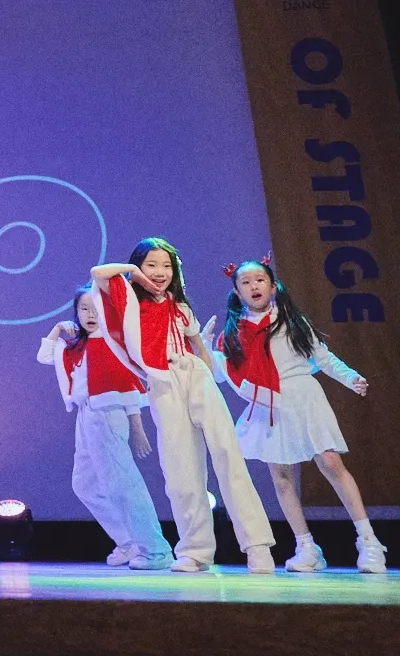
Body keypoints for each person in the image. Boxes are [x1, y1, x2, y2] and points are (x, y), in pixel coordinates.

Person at [91, 238, 275, 574]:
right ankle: (195, 550)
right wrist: (132, 271)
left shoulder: (180, 306)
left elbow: (197, 347)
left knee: (227, 453)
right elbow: (99, 273)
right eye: (151, 265)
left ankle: (257, 545)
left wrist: (211, 373)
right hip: (163, 383)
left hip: (194, 374)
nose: (160, 272)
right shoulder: (129, 301)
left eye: (166, 266)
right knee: (180, 469)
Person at [207, 258, 385, 574]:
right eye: (246, 282)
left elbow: (324, 359)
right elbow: (222, 374)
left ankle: (368, 540)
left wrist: (350, 377)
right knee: (282, 476)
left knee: (331, 463)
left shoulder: (292, 321)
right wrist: (205, 349)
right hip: (269, 404)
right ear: (237, 292)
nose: (254, 286)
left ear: (273, 286)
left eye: (260, 279)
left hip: (304, 398)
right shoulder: (233, 333)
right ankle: (306, 547)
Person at [38, 283, 171, 571]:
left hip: (108, 413)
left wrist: (137, 427)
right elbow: (46, 356)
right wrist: (56, 330)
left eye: (96, 309)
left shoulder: (113, 344)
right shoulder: (78, 346)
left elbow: (127, 386)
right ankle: (128, 541)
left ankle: (155, 548)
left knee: (123, 483)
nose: (90, 314)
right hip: (86, 414)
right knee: (84, 483)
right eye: (84, 309)